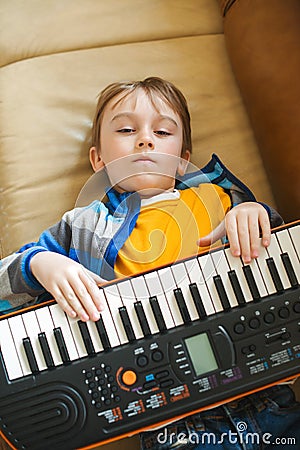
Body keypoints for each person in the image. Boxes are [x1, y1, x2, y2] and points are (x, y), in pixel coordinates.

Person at [0, 77, 299, 449]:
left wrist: (254, 212)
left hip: (269, 400)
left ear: (182, 159)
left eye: (162, 130)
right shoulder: (83, 224)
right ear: (99, 160)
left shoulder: (217, 198)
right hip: (169, 421)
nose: (145, 139)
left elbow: (280, 257)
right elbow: (4, 284)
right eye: (126, 129)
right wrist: (40, 262)